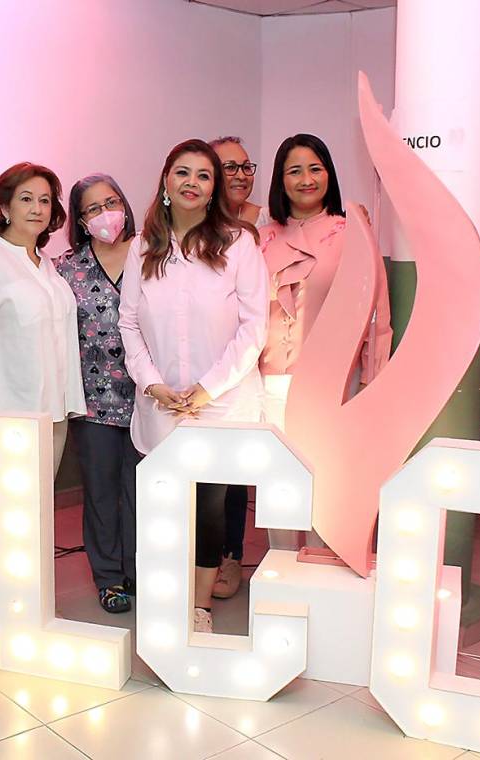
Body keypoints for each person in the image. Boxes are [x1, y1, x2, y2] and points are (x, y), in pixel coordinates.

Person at [118, 139, 267, 633]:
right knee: (165, 502)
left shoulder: (238, 243)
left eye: (203, 176)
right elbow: (128, 324)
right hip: (162, 402)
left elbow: (253, 327)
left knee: (207, 503)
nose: (191, 183)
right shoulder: (142, 247)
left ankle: (198, 608)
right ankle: (168, 597)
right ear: (165, 181)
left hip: (219, 404)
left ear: (213, 189)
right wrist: (154, 384)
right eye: (182, 172)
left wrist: (207, 388)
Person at [0, 163, 86, 602]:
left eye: (45, 200)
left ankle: (32, 600)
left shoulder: (44, 263)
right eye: (26, 198)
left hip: (53, 406)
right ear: (4, 207)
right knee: (16, 509)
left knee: (37, 509)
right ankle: (11, 605)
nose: (36, 208)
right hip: (15, 408)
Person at [259, 133, 392, 551]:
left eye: (315, 168)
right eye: (294, 170)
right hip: (271, 382)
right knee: (279, 483)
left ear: (329, 174)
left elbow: (376, 311)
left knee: (329, 484)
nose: (306, 179)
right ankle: (281, 569)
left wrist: (374, 378)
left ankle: (326, 567)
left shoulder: (351, 231)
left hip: (333, 382)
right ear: (281, 180)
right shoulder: (261, 238)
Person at [57, 173, 138, 614]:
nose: (105, 213)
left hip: (152, 398)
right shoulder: (67, 269)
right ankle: (109, 577)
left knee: (144, 489)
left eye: (111, 201)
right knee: (103, 492)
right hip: (93, 403)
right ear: (81, 220)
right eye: (92, 208)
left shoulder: (154, 254)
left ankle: (141, 568)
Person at [209, 135, 269, 599]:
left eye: (246, 166)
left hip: (263, 360)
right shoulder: (197, 227)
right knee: (211, 472)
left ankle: (233, 555)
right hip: (208, 367)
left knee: (238, 473)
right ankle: (207, 557)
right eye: (229, 166)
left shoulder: (267, 223)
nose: (240, 175)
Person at [209, 136, 270, 228]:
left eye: (246, 167)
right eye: (230, 167)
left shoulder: (268, 220)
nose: (242, 176)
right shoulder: (194, 219)